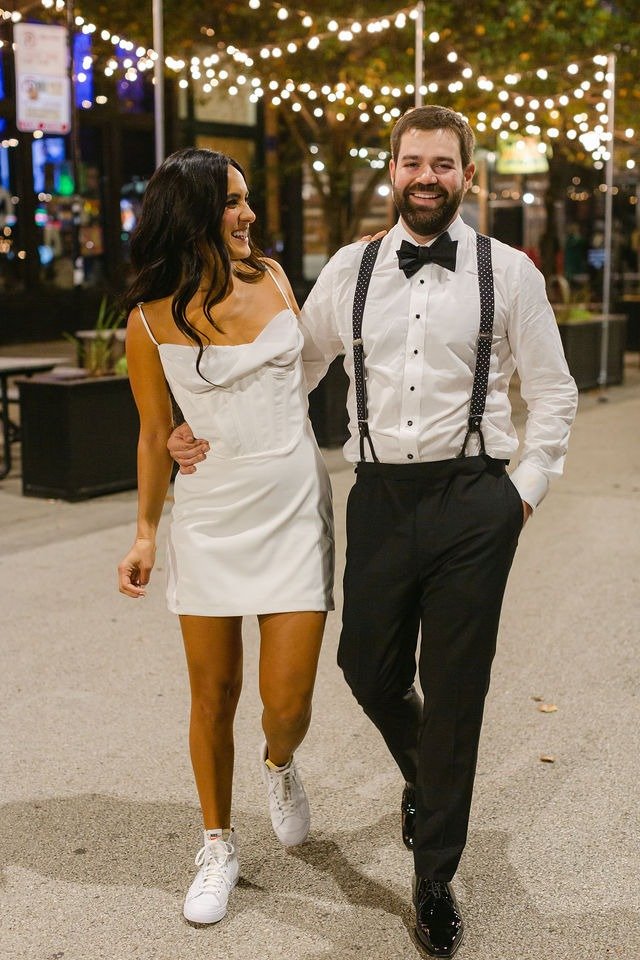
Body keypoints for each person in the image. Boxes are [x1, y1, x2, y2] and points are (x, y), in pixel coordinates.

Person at [168, 106, 578, 957]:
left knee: (456, 685)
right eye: (412, 162)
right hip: (381, 496)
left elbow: (555, 394)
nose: (426, 176)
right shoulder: (348, 271)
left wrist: (521, 497)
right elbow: (297, 366)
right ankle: (427, 778)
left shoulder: (511, 273)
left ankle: (433, 878)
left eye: (443, 163)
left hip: (475, 498)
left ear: (469, 175)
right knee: (366, 665)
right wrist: (208, 430)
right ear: (392, 170)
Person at [116, 147, 334, 927]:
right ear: (193, 215)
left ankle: (280, 763)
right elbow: (150, 435)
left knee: (289, 700)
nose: (247, 215)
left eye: (245, 200)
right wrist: (145, 531)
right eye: (231, 203)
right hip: (209, 518)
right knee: (213, 695)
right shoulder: (147, 317)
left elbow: (304, 369)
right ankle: (217, 843)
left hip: (292, 507)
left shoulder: (275, 278)